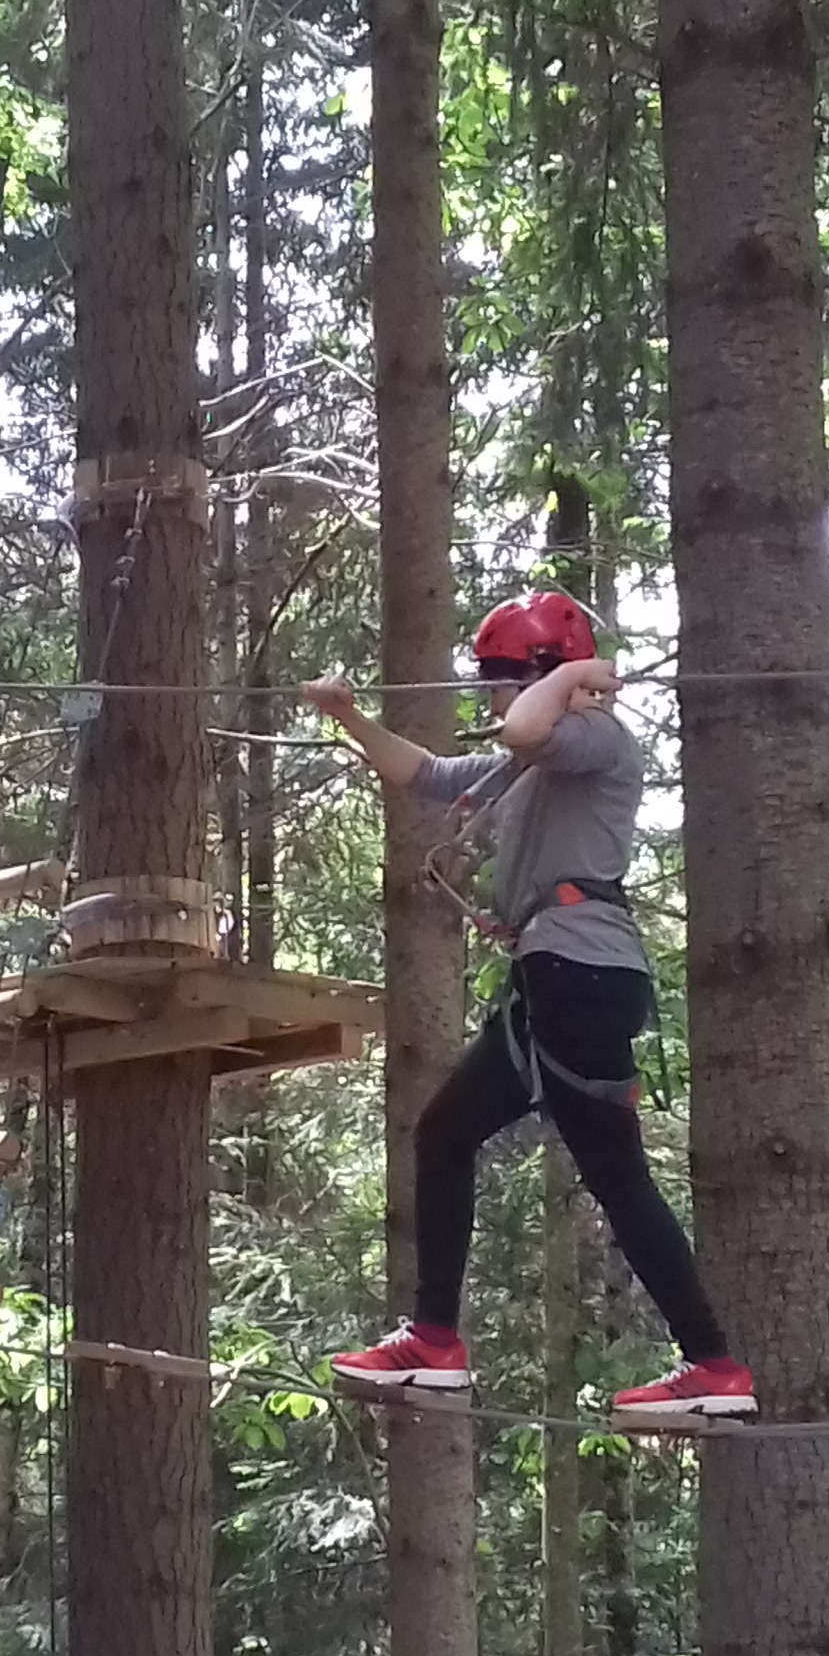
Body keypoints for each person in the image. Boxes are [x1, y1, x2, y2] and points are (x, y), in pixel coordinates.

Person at [303, 590, 756, 1419]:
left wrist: (574, 675)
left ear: (549, 675)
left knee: (614, 1179)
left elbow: (524, 727)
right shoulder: (528, 768)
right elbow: (425, 776)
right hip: (555, 982)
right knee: (451, 1136)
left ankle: (712, 1365)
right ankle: (437, 1341)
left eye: (503, 677)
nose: (490, 696)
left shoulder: (595, 741)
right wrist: (349, 717)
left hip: (579, 975)